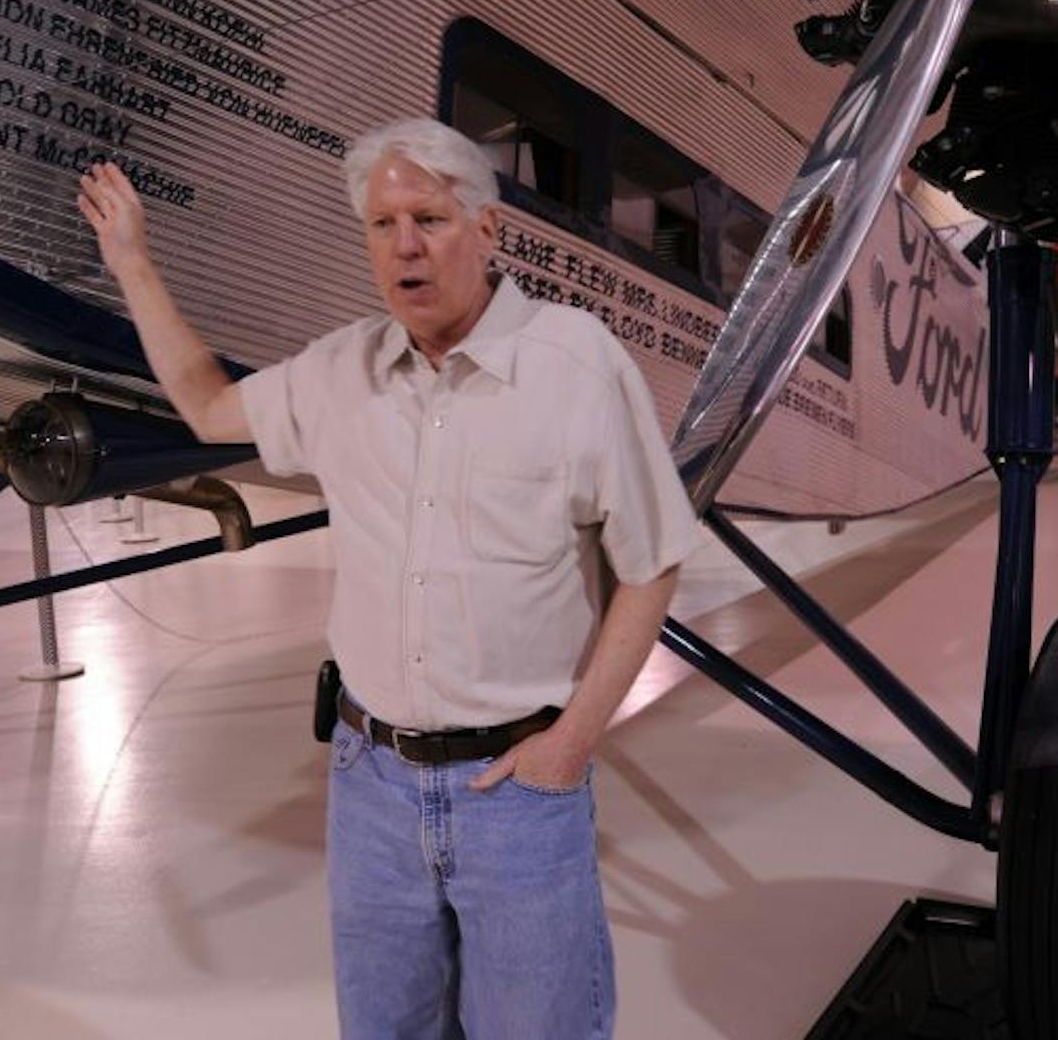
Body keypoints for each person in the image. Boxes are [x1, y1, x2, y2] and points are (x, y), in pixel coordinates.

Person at [76, 118, 703, 1038]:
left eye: (429, 220)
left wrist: (571, 742)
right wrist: (131, 260)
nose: (404, 246)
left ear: (488, 232)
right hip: (370, 784)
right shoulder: (343, 372)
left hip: (516, 790)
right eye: (381, 225)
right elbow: (208, 404)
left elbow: (651, 567)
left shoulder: (577, 365)